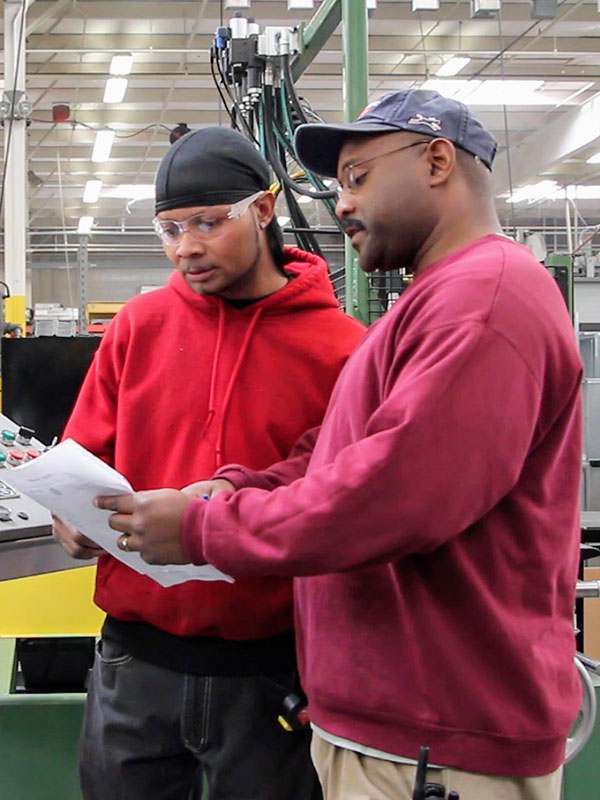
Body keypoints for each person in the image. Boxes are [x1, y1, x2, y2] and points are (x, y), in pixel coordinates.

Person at [97, 91, 583, 800]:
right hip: (393, 726)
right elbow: (340, 450)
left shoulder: (484, 299)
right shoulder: (434, 299)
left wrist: (204, 527)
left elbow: (387, 497)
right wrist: (239, 488)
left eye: (357, 179)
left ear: (438, 160)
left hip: (438, 737)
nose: (340, 206)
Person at [53, 126, 365, 800]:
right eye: (170, 229)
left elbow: (340, 497)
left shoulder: (342, 350)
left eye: (206, 223)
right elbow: (84, 452)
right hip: (135, 662)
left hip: (270, 674)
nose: (186, 247)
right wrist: (67, 512)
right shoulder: (139, 325)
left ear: (263, 207)